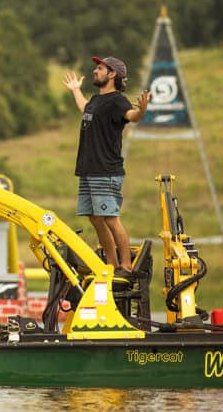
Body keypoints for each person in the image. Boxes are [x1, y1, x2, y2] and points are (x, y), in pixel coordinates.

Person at [62, 56, 150, 280]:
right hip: (88, 170)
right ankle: (110, 263)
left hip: (106, 171)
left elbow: (131, 116)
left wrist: (142, 110)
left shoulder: (117, 101)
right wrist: (75, 90)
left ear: (112, 75)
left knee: (110, 217)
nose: (95, 70)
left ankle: (126, 265)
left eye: (100, 68)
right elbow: (86, 109)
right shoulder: (95, 100)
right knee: (94, 217)